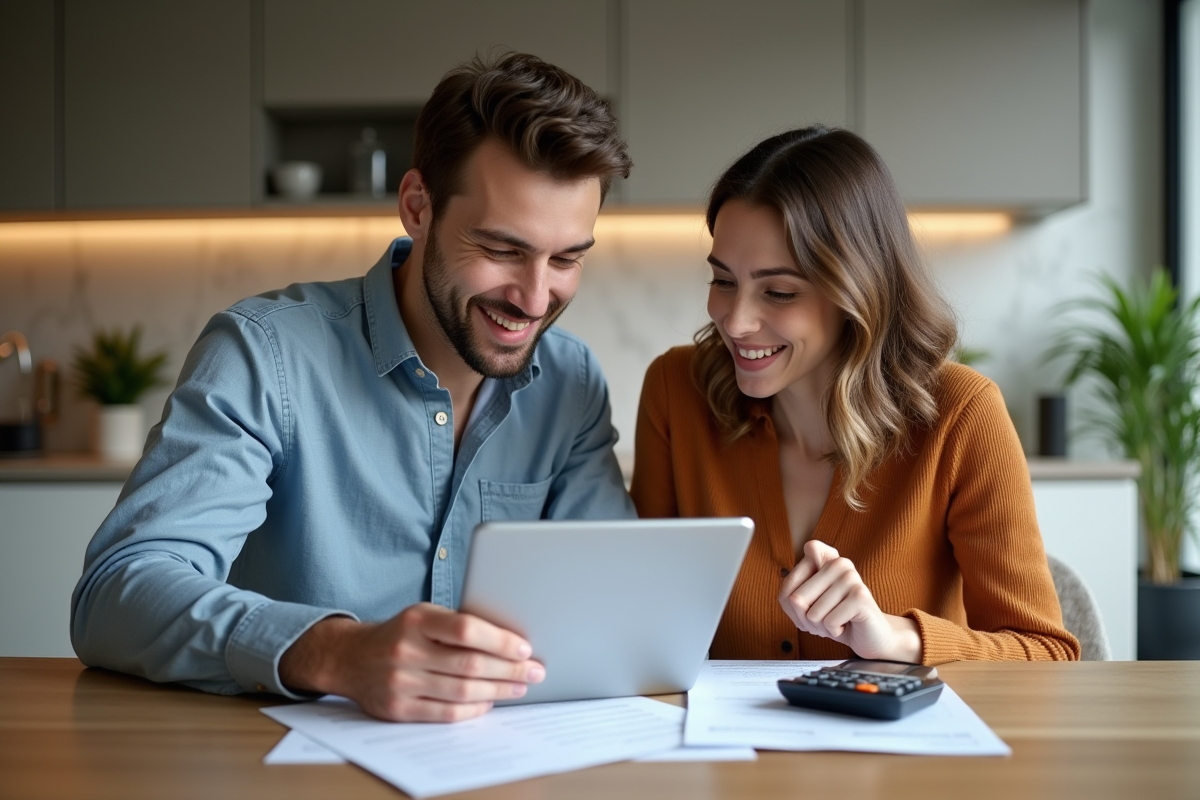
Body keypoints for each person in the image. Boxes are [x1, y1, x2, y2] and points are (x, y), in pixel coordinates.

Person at [71, 53, 637, 722]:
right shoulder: (265, 353)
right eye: (502, 249)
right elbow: (115, 595)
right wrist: (335, 653)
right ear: (417, 207)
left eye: (568, 258)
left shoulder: (570, 383)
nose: (536, 297)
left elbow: (613, 608)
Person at [631, 126, 1079, 664]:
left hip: (899, 748)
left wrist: (895, 638)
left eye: (778, 292)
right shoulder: (675, 391)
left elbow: (1046, 654)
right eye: (723, 281)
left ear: (856, 292)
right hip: (720, 749)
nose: (736, 320)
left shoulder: (962, 415)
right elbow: (638, 616)